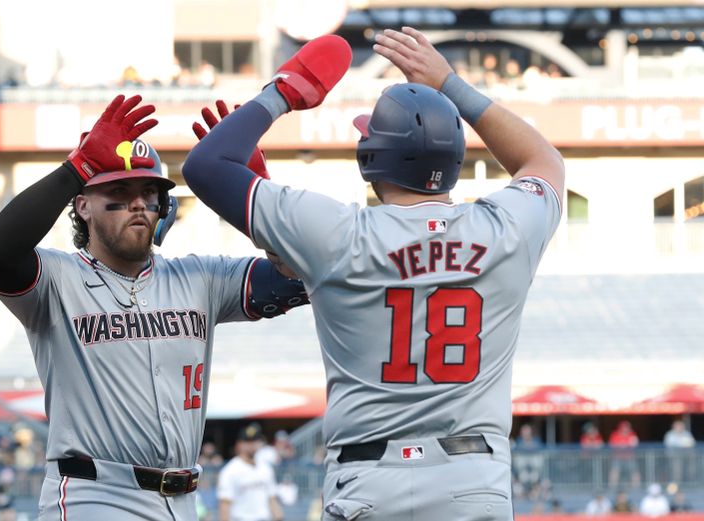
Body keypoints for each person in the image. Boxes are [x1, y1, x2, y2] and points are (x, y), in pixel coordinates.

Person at [184, 25, 564, 521]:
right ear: (454, 157)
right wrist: (449, 84)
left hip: (368, 481)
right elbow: (543, 160)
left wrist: (281, 93)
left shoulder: (335, 232)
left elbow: (208, 164)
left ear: (371, 158)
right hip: (472, 480)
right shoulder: (505, 226)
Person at [0, 95, 308, 521]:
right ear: (82, 205)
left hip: (183, 500)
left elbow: (300, 278)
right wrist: (76, 169)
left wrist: (265, 206)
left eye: (149, 192)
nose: (138, 203)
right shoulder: (58, 281)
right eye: (119, 191)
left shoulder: (200, 279)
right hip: (94, 497)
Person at [217, 424, 283, 521]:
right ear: (239, 444)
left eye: (255, 441)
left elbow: (272, 499)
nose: (252, 445)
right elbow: (225, 505)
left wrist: (279, 517)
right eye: (248, 442)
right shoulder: (230, 470)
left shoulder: (265, 467)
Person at [608, 420, 641, 490]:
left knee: (634, 471)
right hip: (618, 457)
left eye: (627, 428)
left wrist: (625, 445)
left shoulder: (632, 434)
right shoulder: (615, 434)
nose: (626, 430)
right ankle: (612, 488)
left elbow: (635, 444)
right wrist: (623, 445)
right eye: (624, 428)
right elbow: (612, 445)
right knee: (614, 471)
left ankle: (636, 488)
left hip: (630, 457)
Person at [663, 419, 695, 485]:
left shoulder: (686, 433)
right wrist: (683, 444)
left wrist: (685, 444)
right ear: (674, 427)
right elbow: (670, 444)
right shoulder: (670, 435)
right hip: (675, 457)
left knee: (690, 470)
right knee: (677, 472)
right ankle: (678, 486)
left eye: (681, 426)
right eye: (678, 426)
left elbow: (692, 443)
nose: (680, 427)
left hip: (687, 456)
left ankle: (690, 484)